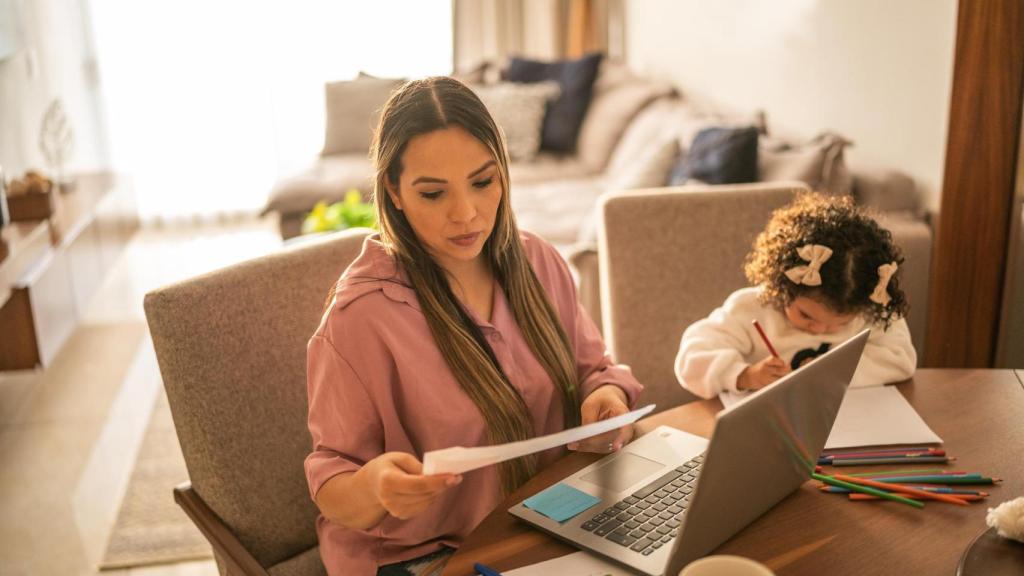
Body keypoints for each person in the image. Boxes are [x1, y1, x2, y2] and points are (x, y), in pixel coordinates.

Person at [304, 76, 644, 576]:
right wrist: (376, 486)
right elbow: (332, 482)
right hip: (424, 556)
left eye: (482, 183)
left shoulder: (538, 262)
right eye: (433, 194)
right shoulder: (360, 319)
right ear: (394, 192)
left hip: (544, 521)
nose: (465, 215)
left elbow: (596, 369)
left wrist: (606, 400)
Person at [675, 193, 917, 400]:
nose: (820, 329)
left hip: (847, 424)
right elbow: (692, 357)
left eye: (840, 324)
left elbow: (900, 359)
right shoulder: (753, 307)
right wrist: (744, 375)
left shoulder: (870, 308)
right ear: (784, 287)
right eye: (806, 315)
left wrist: (831, 373)